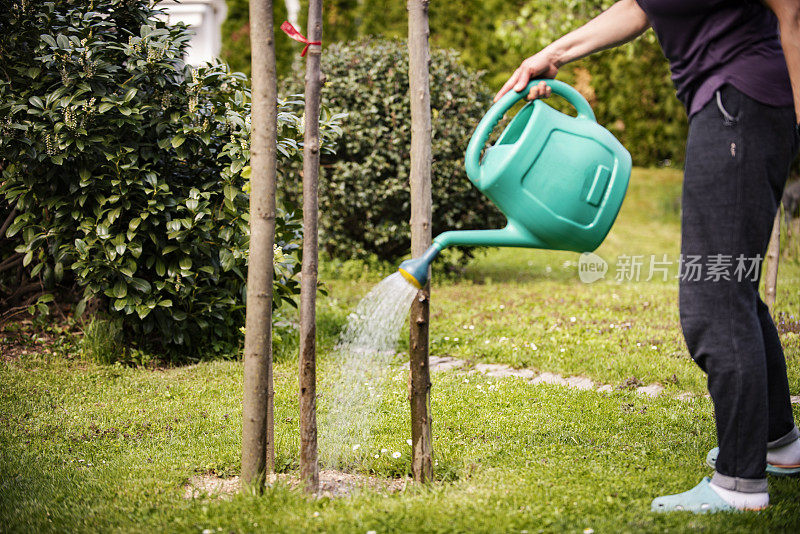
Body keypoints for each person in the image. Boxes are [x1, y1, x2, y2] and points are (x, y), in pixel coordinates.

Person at [494, 0, 800, 513]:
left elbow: (791, 13)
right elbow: (640, 5)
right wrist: (556, 53)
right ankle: (779, 445)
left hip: (740, 103)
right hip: (733, 104)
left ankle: (739, 485)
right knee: (736, 284)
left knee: (714, 300)